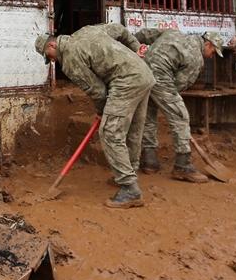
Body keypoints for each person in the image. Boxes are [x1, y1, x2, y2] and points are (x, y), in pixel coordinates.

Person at [35, 23, 154, 208]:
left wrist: (101, 111)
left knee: (110, 132)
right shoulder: (86, 30)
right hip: (144, 73)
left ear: (52, 46)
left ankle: (130, 189)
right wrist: (137, 49)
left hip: (126, 81)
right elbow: (120, 29)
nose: (52, 61)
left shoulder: (69, 60)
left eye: (48, 57)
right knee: (133, 129)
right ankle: (129, 174)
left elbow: (97, 91)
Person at [132, 28, 226, 183]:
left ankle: (149, 161)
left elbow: (145, 34)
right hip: (160, 79)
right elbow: (179, 84)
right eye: (213, 52)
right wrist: (168, 101)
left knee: (149, 116)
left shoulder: (173, 33)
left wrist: (133, 45)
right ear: (208, 44)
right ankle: (183, 166)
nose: (211, 56)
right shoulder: (196, 58)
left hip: (141, 73)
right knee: (181, 117)